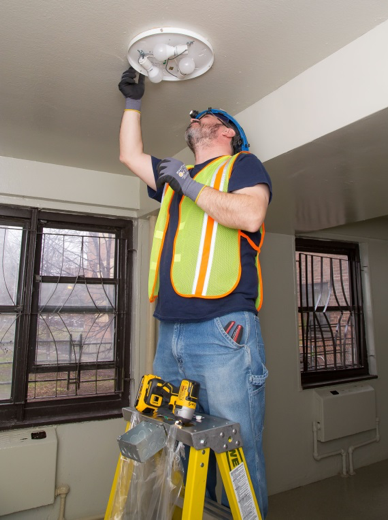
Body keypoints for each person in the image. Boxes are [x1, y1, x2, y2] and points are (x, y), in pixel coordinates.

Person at [118, 66, 272, 518]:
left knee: (236, 453)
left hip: (224, 331)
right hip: (171, 333)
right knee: (172, 448)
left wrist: (187, 183)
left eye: (206, 116)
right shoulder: (173, 177)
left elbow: (249, 215)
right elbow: (131, 155)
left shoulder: (242, 164)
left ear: (226, 131)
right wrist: (132, 102)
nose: (197, 118)